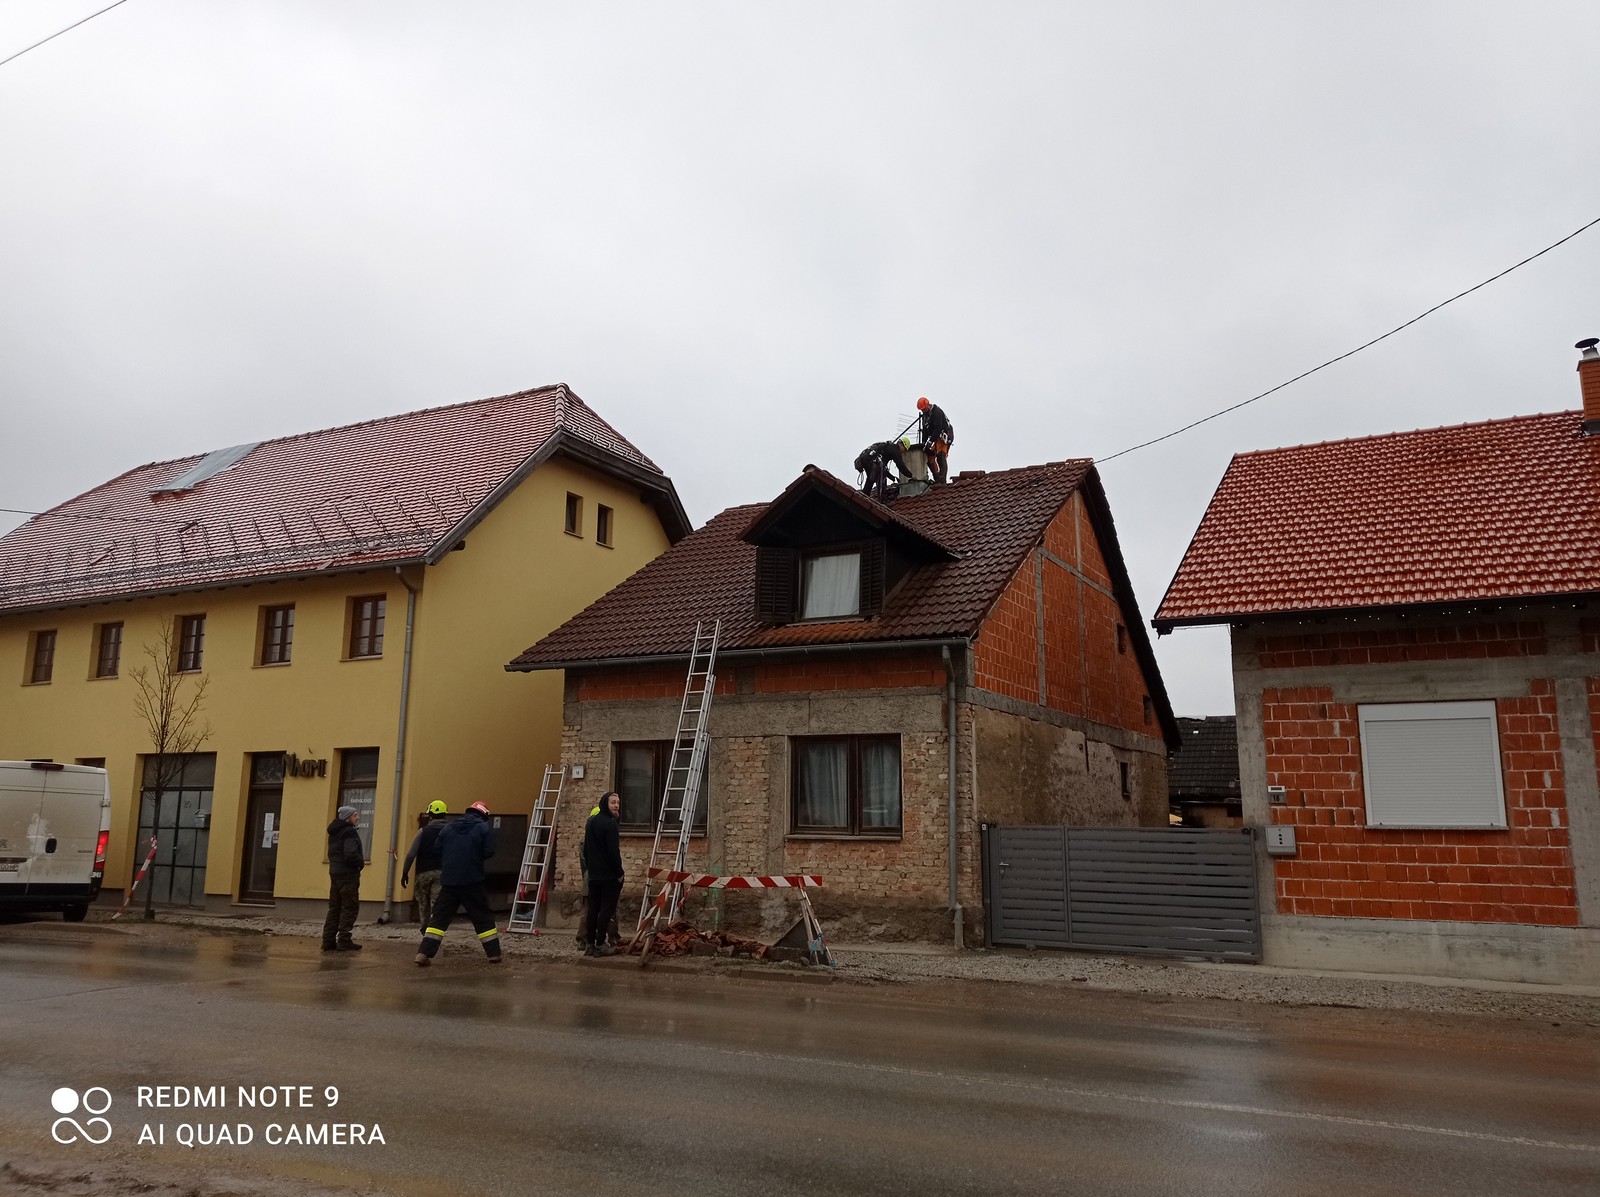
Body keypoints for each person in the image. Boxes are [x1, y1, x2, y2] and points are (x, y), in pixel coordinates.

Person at [414, 800, 502, 966]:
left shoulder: (449, 828)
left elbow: (437, 850)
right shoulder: (483, 828)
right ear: (484, 815)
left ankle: (423, 953)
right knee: (482, 917)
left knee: (439, 919)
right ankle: (493, 954)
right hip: (473, 880)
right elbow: (489, 851)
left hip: (449, 881)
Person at [582, 791, 624, 957]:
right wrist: (619, 873)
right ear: (605, 803)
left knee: (593, 909)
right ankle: (600, 944)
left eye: (618, 803)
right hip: (608, 876)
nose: (616, 805)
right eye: (613, 802)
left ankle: (590, 944)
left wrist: (590, 868)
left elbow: (585, 849)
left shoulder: (591, 823)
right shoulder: (610, 824)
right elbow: (613, 852)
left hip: (594, 875)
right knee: (606, 910)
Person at [322, 805, 365, 952]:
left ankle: (328, 940)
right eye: (355, 815)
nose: (358, 817)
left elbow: (333, 854)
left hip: (335, 873)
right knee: (350, 907)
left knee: (334, 907)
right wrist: (360, 863)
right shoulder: (349, 832)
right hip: (348, 874)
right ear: (348, 818)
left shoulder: (334, 833)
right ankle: (344, 939)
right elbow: (350, 853)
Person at [400, 800, 449, 927]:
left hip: (423, 873)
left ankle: (424, 929)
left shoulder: (423, 831)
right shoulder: (450, 831)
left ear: (430, 815)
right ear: (445, 815)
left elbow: (411, 854)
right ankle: (434, 931)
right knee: (436, 904)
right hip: (442, 873)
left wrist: (405, 873)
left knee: (423, 905)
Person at [917, 396, 954, 485]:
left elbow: (938, 428)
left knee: (941, 457)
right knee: (929, 457)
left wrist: (930, 441)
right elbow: (925, 430)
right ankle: (937, 477)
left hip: (944, 435)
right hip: (935, 436)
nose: (923, 411)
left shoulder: (937, 412)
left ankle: (942, 480)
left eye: (924, 409)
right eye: (921, 410)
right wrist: (924, 444)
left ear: (928, 405)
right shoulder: (925, 416)